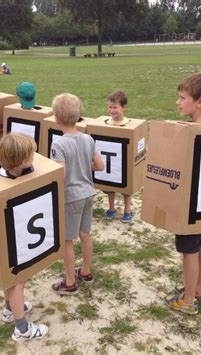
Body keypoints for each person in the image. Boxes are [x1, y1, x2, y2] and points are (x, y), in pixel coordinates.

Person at [164, 73, 201, 315]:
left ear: (199, 101)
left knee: (190, 252)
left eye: (182, 98)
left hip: (190, 206)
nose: (178, 102)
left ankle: (187, 300)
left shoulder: (191, 133)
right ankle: (198, 290)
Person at [50, 93, 104, 295]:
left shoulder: (58, 144)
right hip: (88, 193)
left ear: (56, 118)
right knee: (85, 234)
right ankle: (86, 271)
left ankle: (70, 282)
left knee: (67, 240)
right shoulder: (88, 138)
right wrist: (82, 164)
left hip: (71, 197)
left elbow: (61, 175)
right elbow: (100, 166)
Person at [0, 133, 48, 342]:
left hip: (8, 240)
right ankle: (22, 329)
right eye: (31, 154)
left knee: (9, 278)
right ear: (22, 160)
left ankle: (9, 308)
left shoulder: (3, 171)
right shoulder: (10, 182)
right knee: (18, 281)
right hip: (14, 240)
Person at [103, 91, 133, 223]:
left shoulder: (128, 124)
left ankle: (127, 210)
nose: (112, 110)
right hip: (110, 160)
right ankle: (111, 208)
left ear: (124, 107)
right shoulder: (106, 123)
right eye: (110, 107)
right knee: (110, 186)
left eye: (115, 107)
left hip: (123, 161)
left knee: (126, 188)